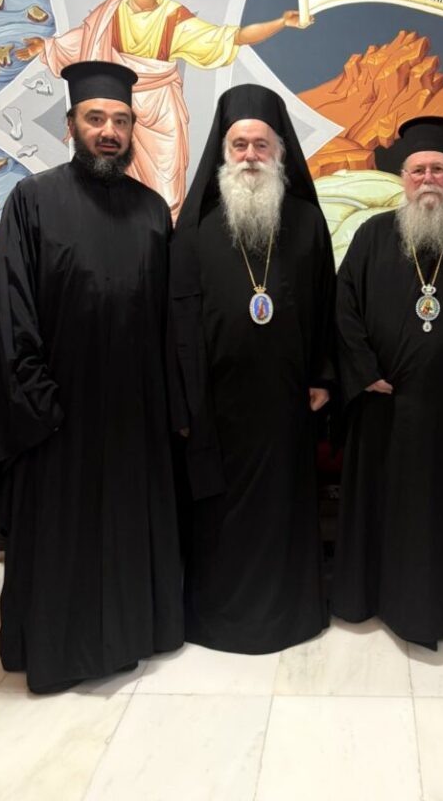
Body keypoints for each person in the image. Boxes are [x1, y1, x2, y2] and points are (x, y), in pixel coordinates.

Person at [0, 60, 183, 694]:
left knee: (125, 533)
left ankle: (131, 636)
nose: (109, 132)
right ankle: (60, 650)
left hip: (133, 418)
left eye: (121, 120)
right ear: (71, 125)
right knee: (62, 540)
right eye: (96, 119)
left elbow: (169, 319)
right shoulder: (33, 200)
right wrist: (40, 404)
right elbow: (10, 310)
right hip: (57, 418)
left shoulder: (154, 211)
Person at [332, 116, 443, 648]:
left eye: (439, 169)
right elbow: (343, 311)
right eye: (418, 171)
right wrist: (364, 372)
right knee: (387, 509)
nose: (428, 179)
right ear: (403, 179)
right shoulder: (371, 236)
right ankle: (378, 596)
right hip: (385, 413)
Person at [170, 83, 334, 653]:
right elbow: (176, 323)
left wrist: (323, 376)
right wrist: (185, 399)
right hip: (216, 408)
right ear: (223, 151)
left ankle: (289, 615)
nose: (249, 156)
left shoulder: (307, 224)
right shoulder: (193, 230)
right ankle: (221, 620)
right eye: (238, 145)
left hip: (287, 403)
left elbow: (326, 304)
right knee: (221, 515)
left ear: (280, 152)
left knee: (283, 510)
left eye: (261, 145)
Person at [15, 0, 309, 220]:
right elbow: (83, 39)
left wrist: (281, 22)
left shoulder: (172, 18)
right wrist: (46, 47)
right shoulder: (112, 11)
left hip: (161, 113)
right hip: (122, 112)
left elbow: (229, 37)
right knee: (118, 189)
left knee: (167, 196)